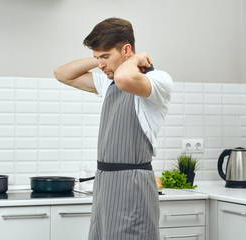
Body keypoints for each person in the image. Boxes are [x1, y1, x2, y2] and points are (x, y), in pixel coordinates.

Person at [53, 17, 173, 240]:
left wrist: (134, 59)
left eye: (106, 56)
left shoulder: (158, 80)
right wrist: (99, 59)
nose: (101, 65)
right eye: (97, 57)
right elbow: (62, 73)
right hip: (105, 184)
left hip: (133, 185)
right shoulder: (108, 83)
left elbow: (124, 78)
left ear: (126, 49)